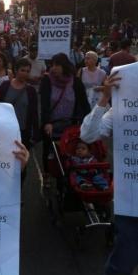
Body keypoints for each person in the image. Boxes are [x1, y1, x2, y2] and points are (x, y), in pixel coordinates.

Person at [80, 71, 138, 275]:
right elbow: (88, 135)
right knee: (121, 265)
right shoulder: (123, 111)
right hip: (132, 203)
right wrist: (105, 97)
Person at [40, 53, 90, 185]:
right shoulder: (47, 81)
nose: (53, 68)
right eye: (52, 65)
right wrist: (47, 122)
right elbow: (44, 103)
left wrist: (88, 122)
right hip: (51, 125)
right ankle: (47, 174)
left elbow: (84, 104)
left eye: (57, 65)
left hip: (70, 125)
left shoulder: (75, 82)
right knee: (49, 151)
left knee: (69, 151)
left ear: (65, 66)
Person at [0, 58, 39, 150]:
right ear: (16, 70)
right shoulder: (5, 86)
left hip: (22, 132)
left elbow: (34, 113)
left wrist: (35, 134)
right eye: (22, 70)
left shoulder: (31, 91)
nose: (25, 73)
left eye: (28, 71)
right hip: (5, 130)